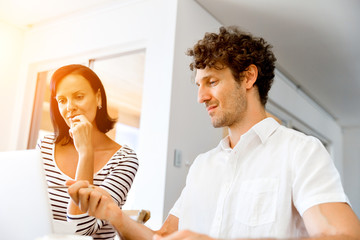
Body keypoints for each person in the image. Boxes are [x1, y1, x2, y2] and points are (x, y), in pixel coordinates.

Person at [66, 27, 360, 240]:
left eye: (211, 81)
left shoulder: (300, 151)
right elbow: (162, 237)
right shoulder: (202, 167)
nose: (201, 96)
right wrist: (114, 215)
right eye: (198, 84)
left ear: (247, 77)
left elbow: (342, 234)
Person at [37, 64, 139, 240]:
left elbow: (80, 230)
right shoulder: (46, 145)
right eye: (62, 100)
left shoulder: (125, 159)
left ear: (98, 98)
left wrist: (85, 152)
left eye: (79, 96)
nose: (69, 107)